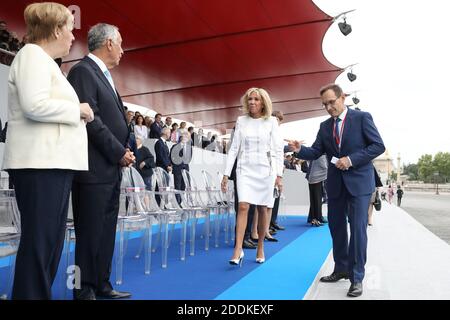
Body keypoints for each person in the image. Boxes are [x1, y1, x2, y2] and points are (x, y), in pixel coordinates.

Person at [2, 2, 93, 300]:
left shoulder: (43, 61)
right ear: (55, 29)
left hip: (50, 164)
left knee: (48, 246)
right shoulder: (32, 56)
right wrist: (77, 109)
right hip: (40, 164)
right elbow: (34, 105)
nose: (71, 36)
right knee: (41, 246)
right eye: (69, 28)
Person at [289, 83, 385, 297]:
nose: (329, 107)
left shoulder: (362, 118)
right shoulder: (324, 127)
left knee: (358, 230)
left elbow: (378, 146)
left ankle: (357, 277)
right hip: (335, 185)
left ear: (343, 97)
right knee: (337, 228)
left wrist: (350, 160)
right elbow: (315, 151)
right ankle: (341, 268)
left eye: (332, 102)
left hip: (359, 184)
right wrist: (299, 150)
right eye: (325, 104)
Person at [68, 23, 134, 300]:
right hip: (93, 169)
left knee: (106, 231)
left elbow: (113, 119)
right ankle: (82, 289)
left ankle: (102, 284)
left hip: (110, 168)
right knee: (89, 233)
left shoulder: (103, 75)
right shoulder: (83, 71)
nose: (122, 50)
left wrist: (123, 151)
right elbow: (90, 120)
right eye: (120, 43)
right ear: (108, 43)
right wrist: (118, 151)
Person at [221, 88, 283, 266]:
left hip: (265, 170)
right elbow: (234, 149)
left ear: (263, 102)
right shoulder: (241, 120)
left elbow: (277, 150)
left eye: (256, 99)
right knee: (242, 206)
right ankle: (237, 249)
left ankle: (260, 247)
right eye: (250, 99)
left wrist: (279, 175)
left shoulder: (271, 121)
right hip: (244, 169)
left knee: (263, 209)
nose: (252, 102)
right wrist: (226, 174)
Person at [304, 155, 328, 227]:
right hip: (316, 179)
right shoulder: (322, 155)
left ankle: (313, 219)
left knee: (314, 200)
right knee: (317, 200)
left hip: (314, 179)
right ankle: (317, 219)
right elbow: (324, 167)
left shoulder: (319, 154)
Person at [170, 131, 192, 203]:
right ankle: (177, 203)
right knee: (177, 187)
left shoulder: (189, 148)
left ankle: (181, 203)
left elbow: (189, 158)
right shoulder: (175, 146)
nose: (186, 138)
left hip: (186, 170)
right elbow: (172, 157)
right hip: (177, 169)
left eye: (188, 137)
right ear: (182, 137)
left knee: (183, 187)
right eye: (185, 136)